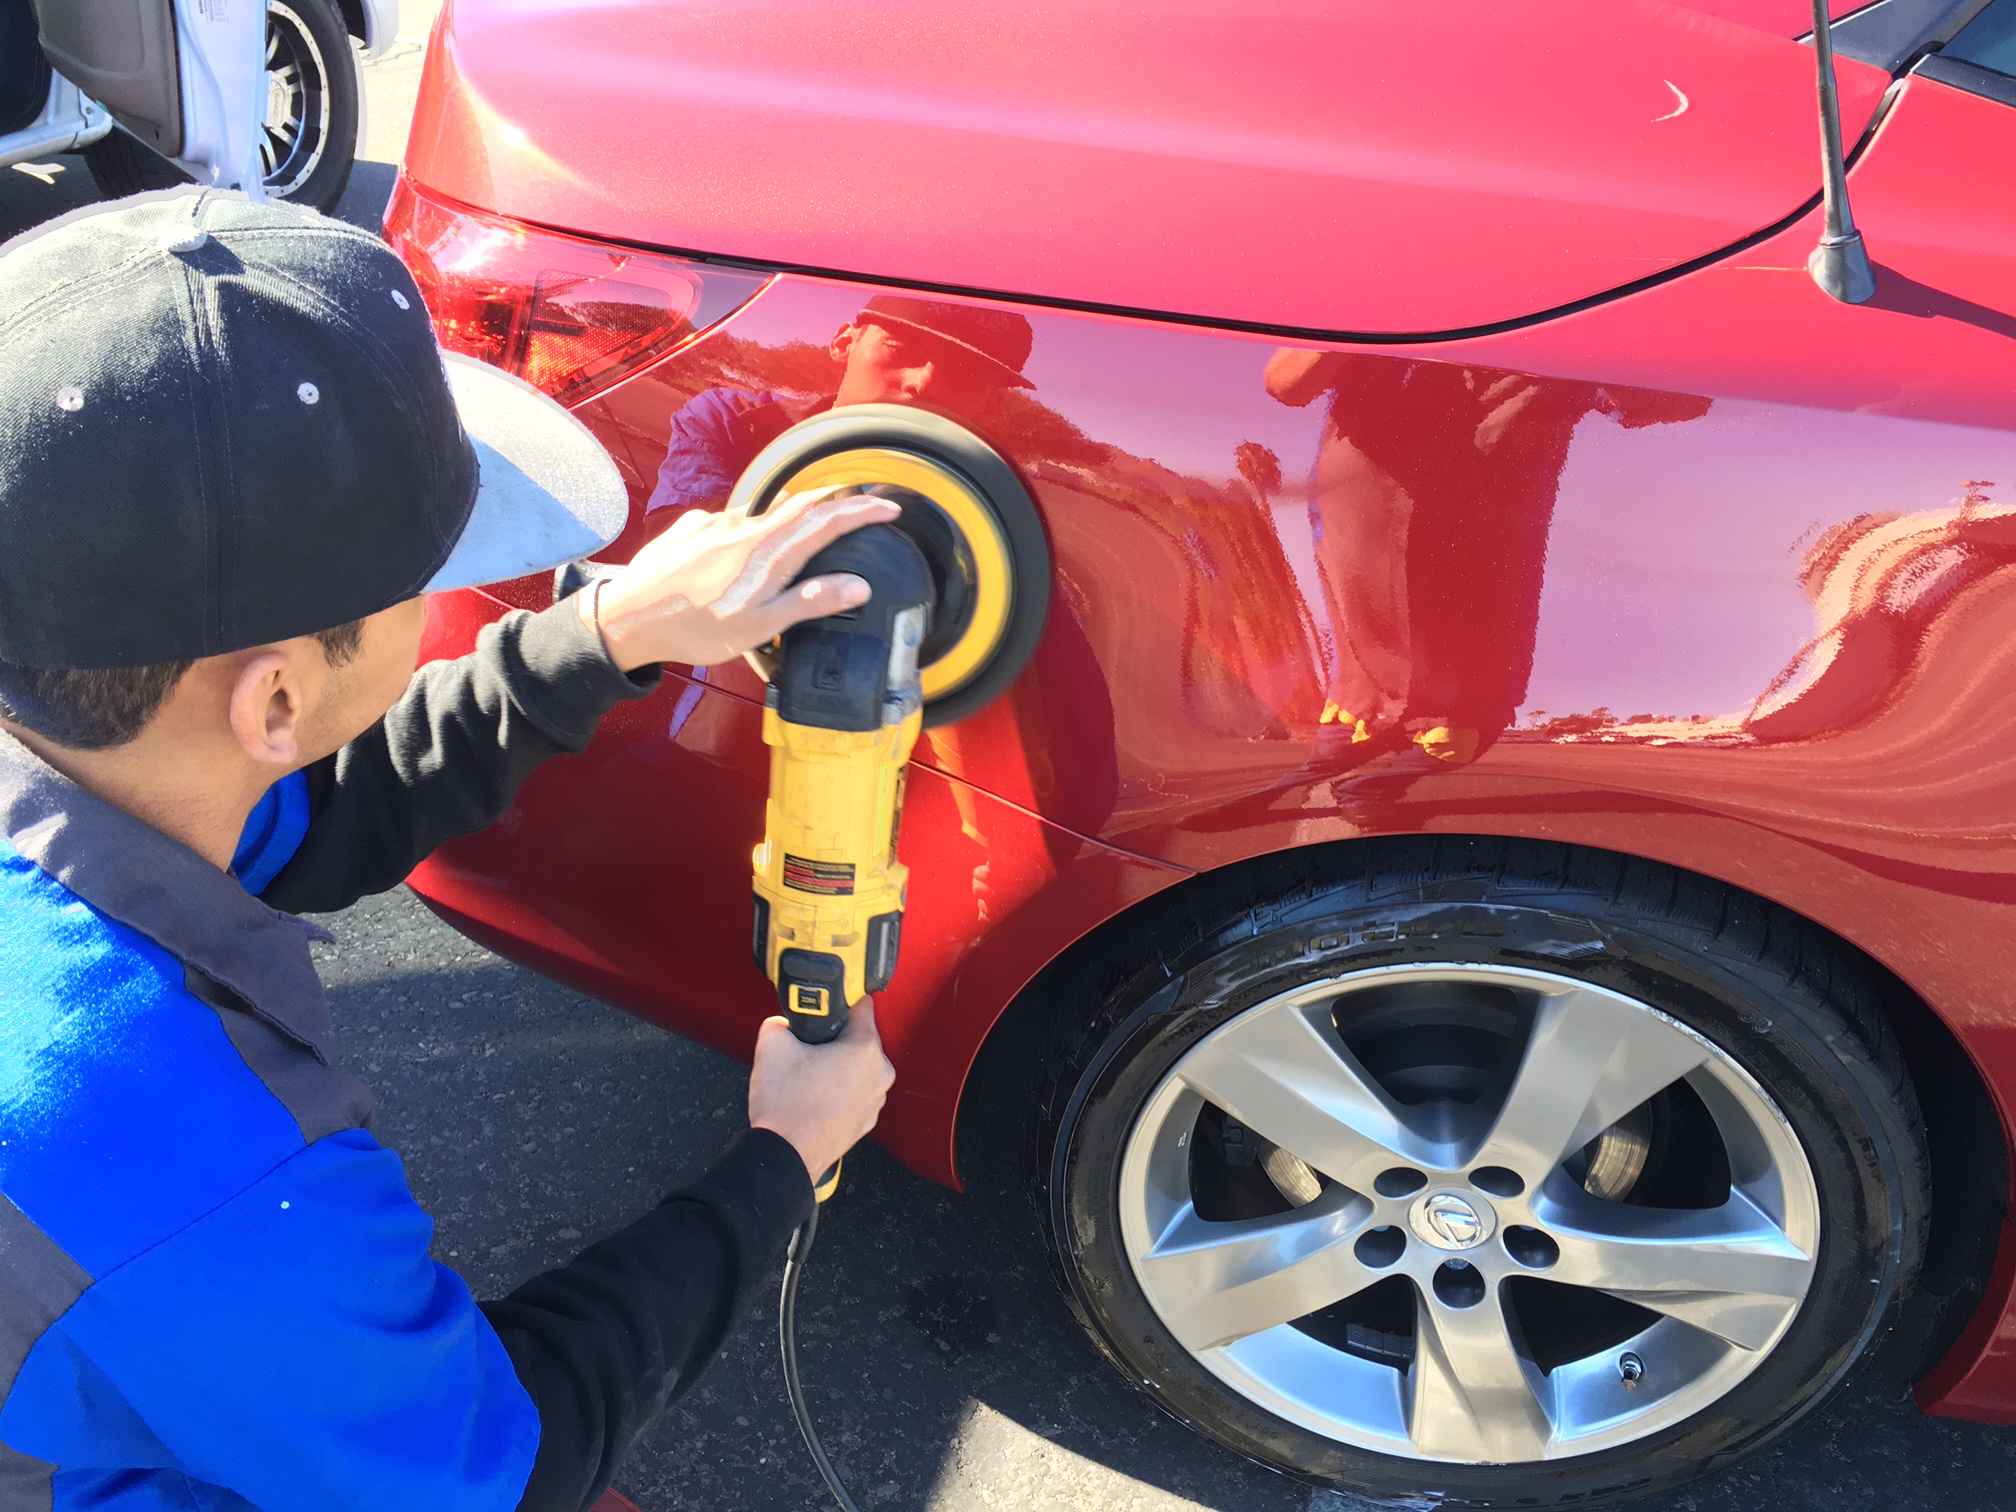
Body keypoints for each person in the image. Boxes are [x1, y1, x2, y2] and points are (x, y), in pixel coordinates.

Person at [0, 189, 897, 1510]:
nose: (443, 597)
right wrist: (781, 1167)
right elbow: (494, 1469)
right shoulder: (194, 1161)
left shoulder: (88, 740)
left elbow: (313, 821)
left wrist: (608, 635)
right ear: (275, 701)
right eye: (422, 579)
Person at [646, 294, 1035, 515]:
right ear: (845, 344)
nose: (923, 383)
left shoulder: (999, 503)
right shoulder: (729, 423)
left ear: (992, 403)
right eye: (901, 349)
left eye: (966, 376)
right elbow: (675, 561)